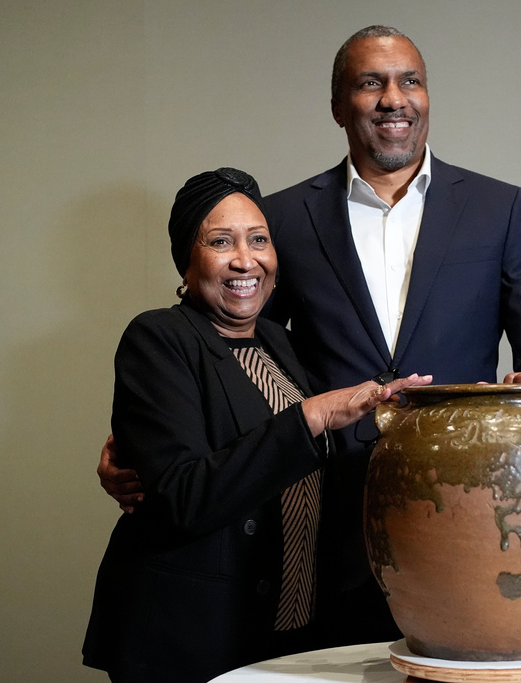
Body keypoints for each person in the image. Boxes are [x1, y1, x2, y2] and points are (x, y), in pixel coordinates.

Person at [99, 25, 521, 649]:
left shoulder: (497, 208)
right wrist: (147, 443)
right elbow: (231, 351)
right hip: (318, 532)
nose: (394, 98)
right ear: (339, 105)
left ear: (427, 95)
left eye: (409, 80)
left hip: (464, 517)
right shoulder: (279, 220)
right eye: (371, 83)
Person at [82, 167, 431, 683]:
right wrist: (314, 414)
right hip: (190, 638)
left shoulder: (276, 341)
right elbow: (184, 497)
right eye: (221, 242)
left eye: (259, 240)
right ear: (186, 262)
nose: (246, 260)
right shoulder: (157, 338)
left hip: (285, 631)